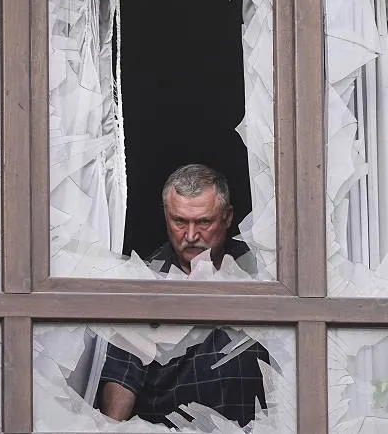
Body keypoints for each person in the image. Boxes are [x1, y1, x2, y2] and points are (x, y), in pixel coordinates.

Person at [98, 164, 268, 426]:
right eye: (179, 221)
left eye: (203, 222)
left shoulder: (259, 270)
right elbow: (121, 378)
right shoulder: (144, 284)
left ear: (227, 217)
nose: (190, 235)